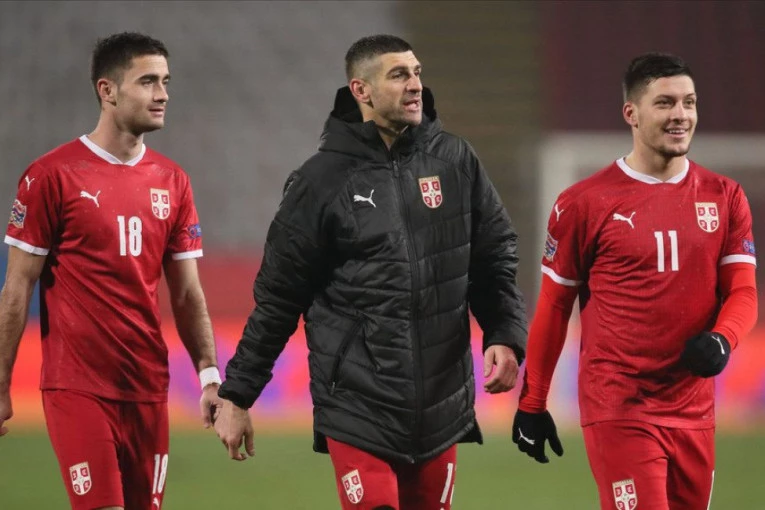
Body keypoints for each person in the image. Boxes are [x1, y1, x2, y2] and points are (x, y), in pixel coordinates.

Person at [213, 34, 528, 510]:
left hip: (440, 404)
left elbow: (493, 256)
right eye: (398, 75)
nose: (415, 85)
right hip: (358, 403)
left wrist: (503, 332)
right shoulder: (320, 181)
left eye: (417, 73)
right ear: (361, 90)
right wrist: (238, 396)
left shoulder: (455, 161)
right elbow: (279, 299)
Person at [512, 52, 758, 510]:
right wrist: (533, 400)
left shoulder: (724, 196)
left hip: (694, 408)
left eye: (689, 102)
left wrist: (723, 339)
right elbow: (554, 306)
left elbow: (743, 292)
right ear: (632, 113)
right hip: (619, 406)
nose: (681, 114)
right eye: (665, 103)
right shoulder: (583, 202)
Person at [0, 32, 222, 510]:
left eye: (165, 82)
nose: (162, 94)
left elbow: (187, 294)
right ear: (108, 90)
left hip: (147, 386)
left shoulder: (173, 181)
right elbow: (17, 285)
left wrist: (209, 375)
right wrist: (0, 382)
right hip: (77, 386)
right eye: (147, 81)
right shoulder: (51, 175)